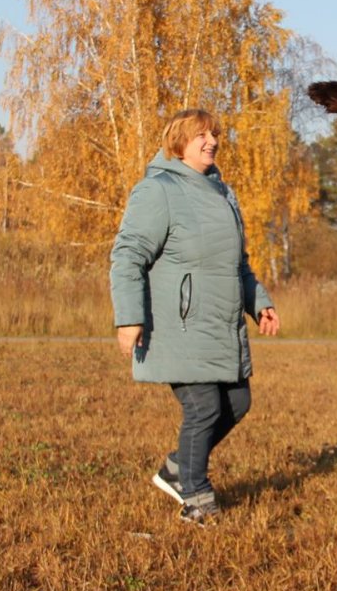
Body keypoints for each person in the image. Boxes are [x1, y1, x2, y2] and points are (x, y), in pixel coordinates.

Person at [110, 108, 280, 526]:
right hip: (178, 324)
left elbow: (237, 265)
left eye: (215, 134)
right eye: (200, 135)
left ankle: (175, 469)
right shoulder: (158, 190)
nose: (212, 141)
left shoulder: (223, 192)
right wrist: (128, 317)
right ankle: (197, 500)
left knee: (237, 404)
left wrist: (259, 302)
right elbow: (128, 254)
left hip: (221, 324)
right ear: (178, 143)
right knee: (203, 407)